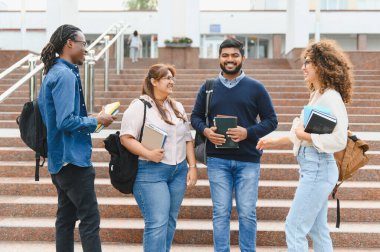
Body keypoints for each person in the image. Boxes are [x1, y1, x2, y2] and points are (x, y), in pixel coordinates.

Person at [256, 39, 352, 252]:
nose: (303, 67)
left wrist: (304, 135)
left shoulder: (331, 98)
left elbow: (339, 140)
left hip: (318, 168)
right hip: (314, 168)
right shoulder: (318, 95)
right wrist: (275, 140)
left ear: (321, 64)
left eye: (307, 62)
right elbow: (302, 133)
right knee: (317, 230)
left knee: (295, 226)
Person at [191, 38, 278, 252]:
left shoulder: (256, 87)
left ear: (242, 58)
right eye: (225, 55)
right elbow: (194, 117)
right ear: (219, 58)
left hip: (248, 160)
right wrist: (205, 131)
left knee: (247, 212)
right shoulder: (208, 87)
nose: (230, 60)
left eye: (234, 55)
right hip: (217, 160)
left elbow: (271, 120)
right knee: (220, 212)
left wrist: (247, 132)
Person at [38, 24, 116, 252]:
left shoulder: (54, 72)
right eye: (83, 44)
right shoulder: (64, 75)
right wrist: (97, 120)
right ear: (69, 43)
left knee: (65, 219)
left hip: (59, 158)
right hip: (72, 160)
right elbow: (65, 121)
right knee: (90, 219)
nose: (86, 49)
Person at [120, 64, 197, 252]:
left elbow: (187, 139)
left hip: (178, 171)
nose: (172, 81)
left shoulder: (176, 106)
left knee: (170, 221)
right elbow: (125, 138)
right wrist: (148, 154)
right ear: (154, 81)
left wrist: (192, 167)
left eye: (172, 78)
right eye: (167, 78)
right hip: (151, 172)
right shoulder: (140, 106)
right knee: (157, 222)